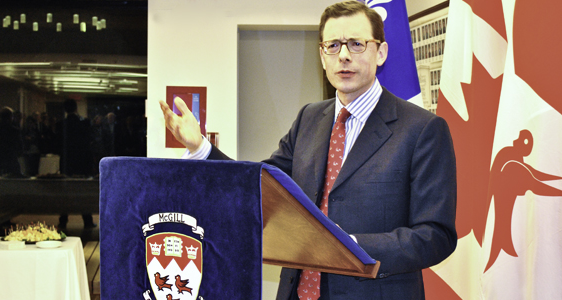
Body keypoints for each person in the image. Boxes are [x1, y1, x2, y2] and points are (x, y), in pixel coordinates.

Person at [160, 1, 457, 299]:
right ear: (322, 54)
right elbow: (261, 185)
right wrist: (200, 148)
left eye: (356, 44)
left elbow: (435, 236)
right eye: (333, 45)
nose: (343, 55)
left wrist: (348, 245)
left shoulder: (422, 129)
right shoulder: (310, 118)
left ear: (380, 52)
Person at [55, 99, 96, 229]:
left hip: (67, 161)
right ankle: (87, 219)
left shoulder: (61, 124)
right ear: (75, 108)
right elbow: (90, 142)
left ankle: (63, 220)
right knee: (83, 191)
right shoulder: (84, 123)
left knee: (65, 192)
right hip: (82, 162)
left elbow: (57, 144)